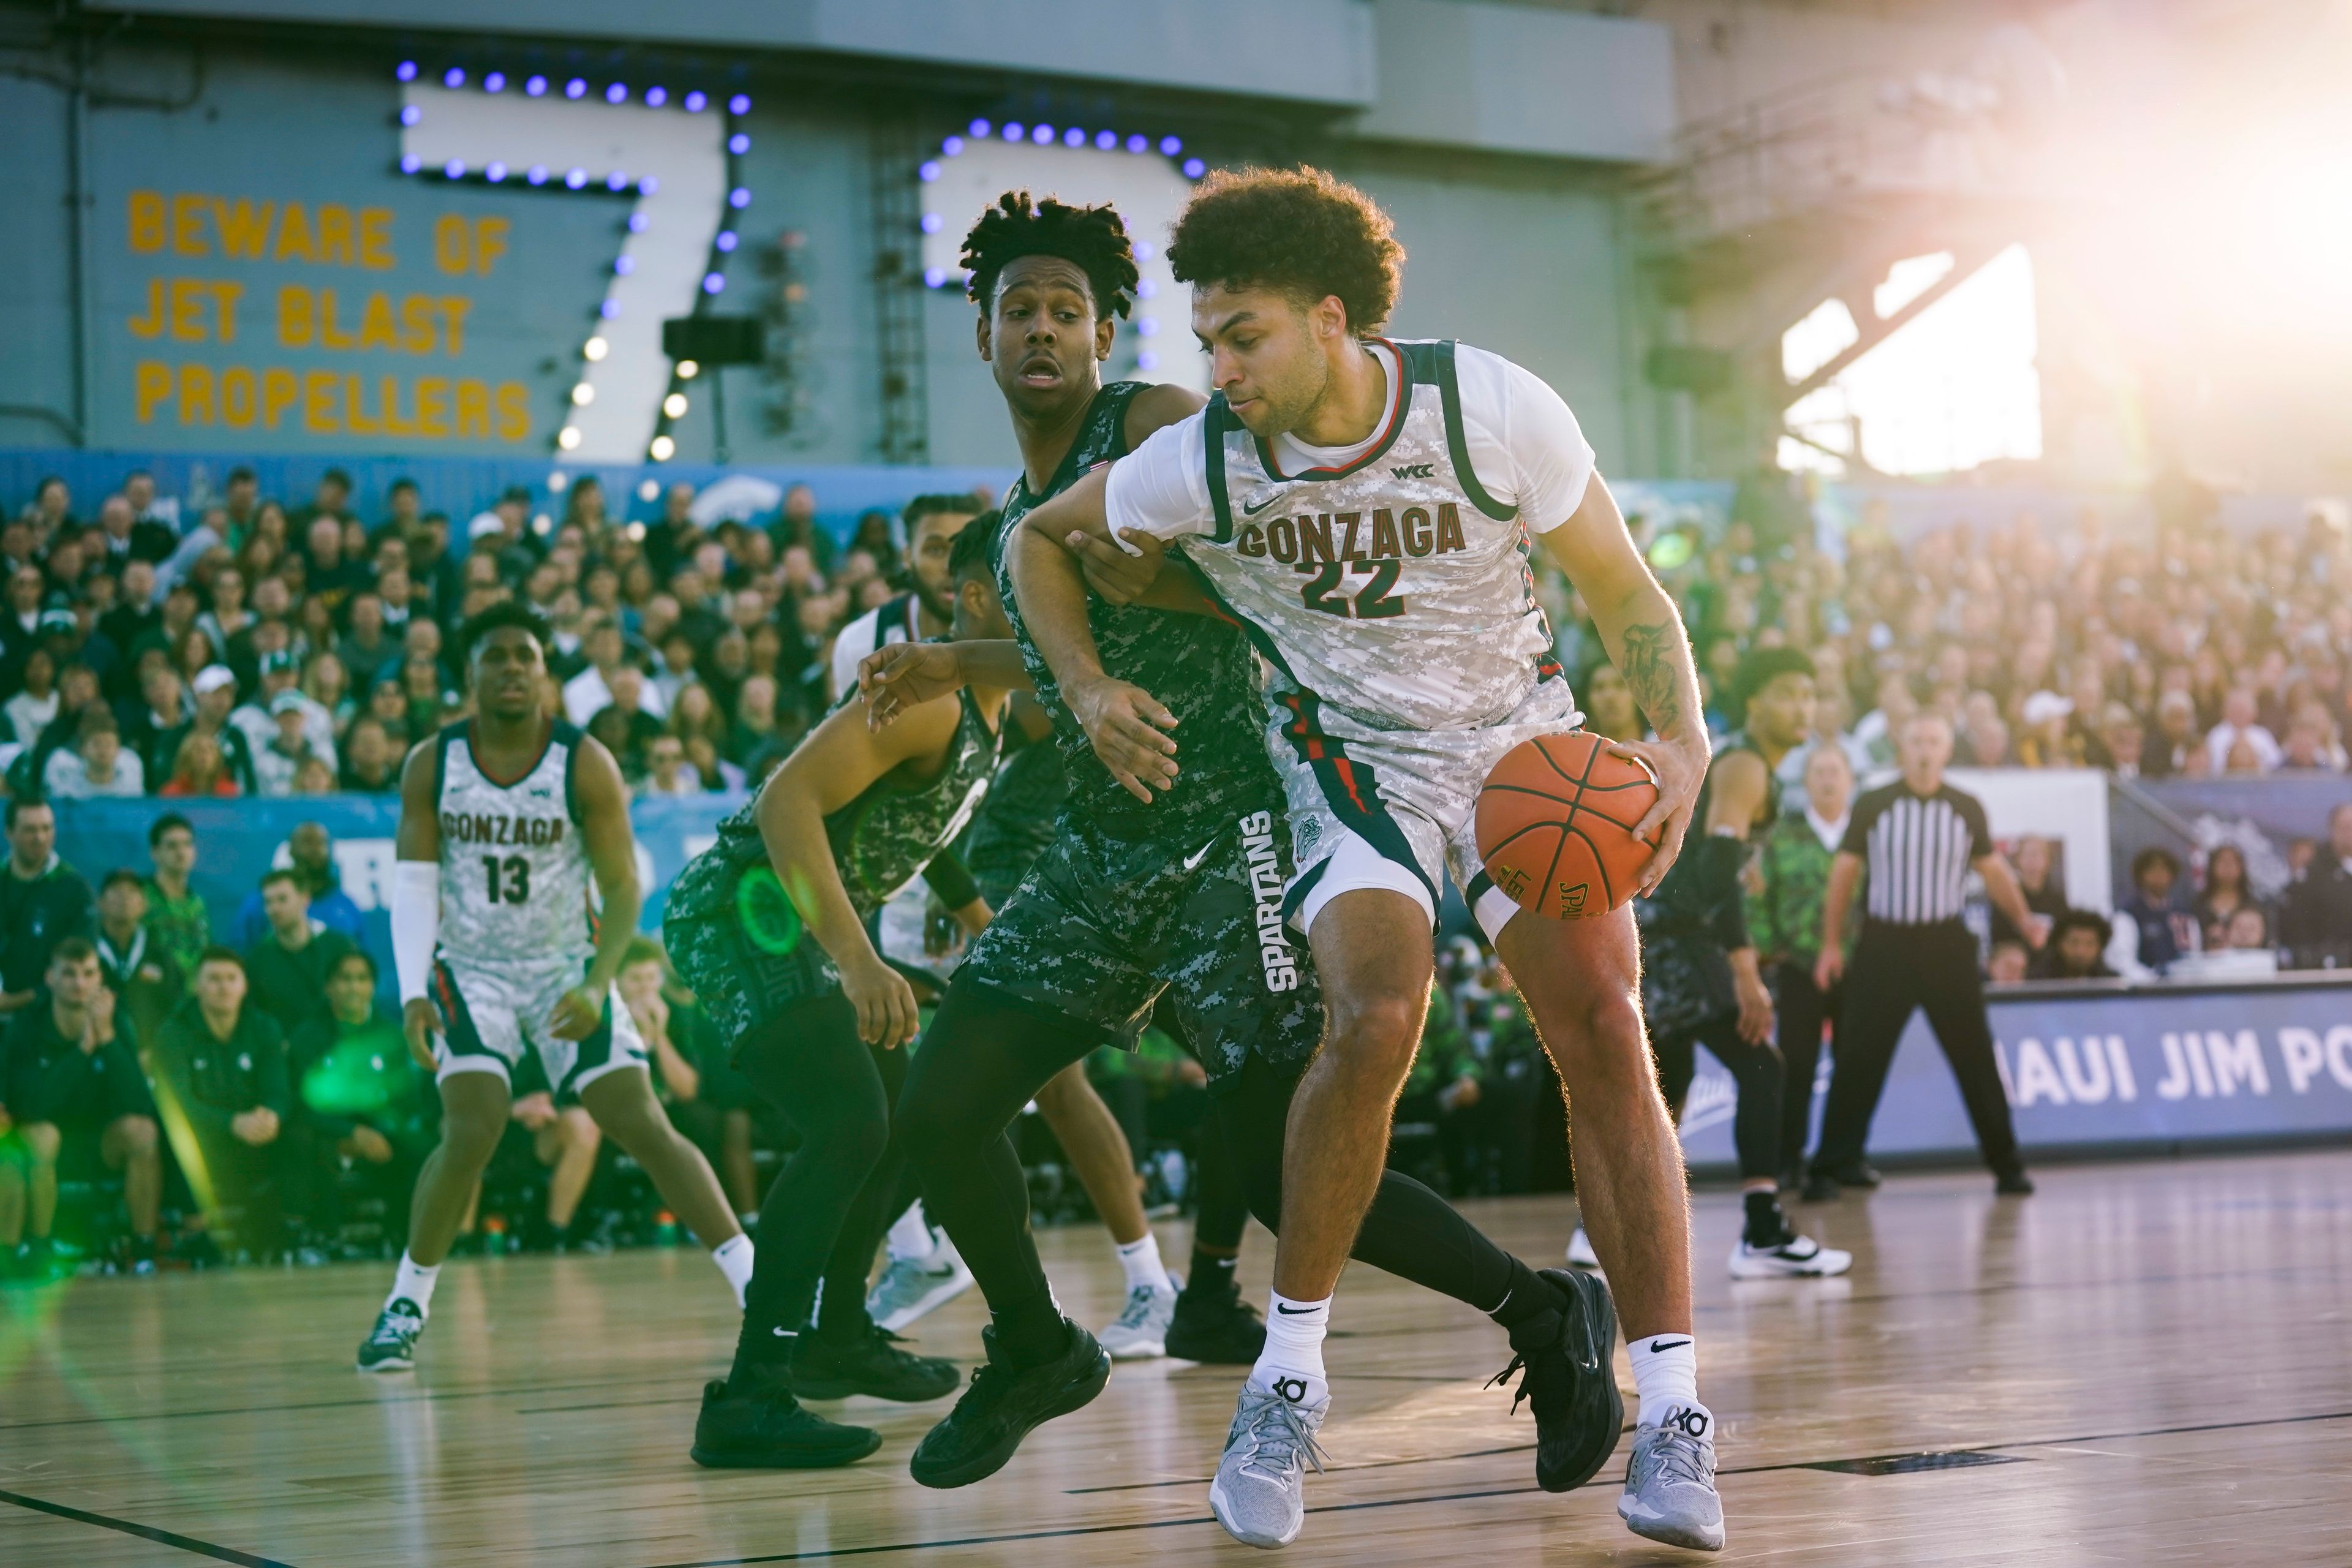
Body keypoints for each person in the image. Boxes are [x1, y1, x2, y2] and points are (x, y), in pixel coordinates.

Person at [876, 188, 1620, 1544]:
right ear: (980, 335)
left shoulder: (1169, 425)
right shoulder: (1028, 504)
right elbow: (1077, 611)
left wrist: (1106, 666)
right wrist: (997, 667)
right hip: (1114, 850)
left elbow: (1236, 586)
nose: (1041, 328)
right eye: (1017, 310)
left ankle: (1542, 1307)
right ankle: (1037, 1345)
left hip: (1249, 824)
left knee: (1288, 1159)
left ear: (1105, 332)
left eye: (1066, 309)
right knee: (941, 1097)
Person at [663, 519, 1024, 1469]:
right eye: (1043, 591)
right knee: (849, 1125)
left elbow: (923, 823)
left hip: (803, 925)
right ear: (982, 601)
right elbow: (787, 802)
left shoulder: (981, 715)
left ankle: (835, 1335)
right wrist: (861, 960)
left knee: (911, 1120)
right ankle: (750, 1396)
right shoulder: (933, 704)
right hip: (744, 909)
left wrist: (979, 918)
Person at [356, 602, 750, 1372]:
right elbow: (412, 887)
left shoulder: (584, 760)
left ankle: (755, 1280)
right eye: (495, 655)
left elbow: (624, 885)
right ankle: (407, 1300)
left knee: (639, 1119)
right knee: (473, 1124)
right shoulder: (433, 763)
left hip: (566, 965)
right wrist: (412, 992)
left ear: (545, 672)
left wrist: (601, 980)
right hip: (470, 969)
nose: (511, 668)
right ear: (468, 674)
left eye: (525, 656)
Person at [1621, 647, 1848, 1278]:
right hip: (1678, 933)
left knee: (1671, 1082)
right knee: (1762, 1068)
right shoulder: (1746, 763)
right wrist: (1744, 969)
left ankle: (1609, 1223)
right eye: (1786, 693)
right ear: (1755, 704)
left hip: (1669, 927)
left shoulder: (1752, 763)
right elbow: (1718, 867)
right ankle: (1761, 1230)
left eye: (1809, 694)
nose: (1801, 705)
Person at [1809, 712, 2045, 1200]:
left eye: (1933, 740)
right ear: (1902, 746)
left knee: (1975, 1058)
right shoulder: (1875, 803)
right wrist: (1832, 945)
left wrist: (2023, 921)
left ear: (1945, 749)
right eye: (1916, 740)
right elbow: (1844, 877)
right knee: (1858, 1058)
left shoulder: (1965, 806)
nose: (1923, 749)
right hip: (1884, 945)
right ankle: (1834, 1164)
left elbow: (1994, 872)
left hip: (1945, 945)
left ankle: (2008, 1166)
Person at [2, 940, 164, 1276]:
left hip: (101, 1140)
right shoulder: (27, 1025)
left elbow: (139, 1101)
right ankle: (39, 1245)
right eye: (69, 974)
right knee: (43, 1135)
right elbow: (32, 1105)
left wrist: (106, 1040)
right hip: (43, 1140)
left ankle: (143, 1248)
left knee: (143, 1131)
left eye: (88, 974)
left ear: (99, 979)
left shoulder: (116, 1021)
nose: (79, 983)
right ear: (50, 978)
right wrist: (82, 1053)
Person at [1747, 742, 1856, 1188]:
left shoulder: (1863, 835)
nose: (1828, 779)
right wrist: (1770, 950)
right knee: (1797, 1066)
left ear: (1850, 780)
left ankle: (1844, 1160)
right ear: (1807, 782)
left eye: (1835, 771)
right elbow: (1757, 898)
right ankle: (1788, 1161)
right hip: (1797, 968)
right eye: (1819, 772)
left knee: (1854, 1068)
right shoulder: (1782, 836)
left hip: (1859, 969)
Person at [150, 948, 293, 1257]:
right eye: (214, 979)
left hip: (253, 1133)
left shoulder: (265, 1028)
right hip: (203, 1135)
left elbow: (278, 1090)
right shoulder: (173, 1033)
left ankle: (287, 1230)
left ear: (244, 986)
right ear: (197, 987)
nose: (223, 987)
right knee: (176, 1138)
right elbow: (178, 1105)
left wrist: (271, 1115)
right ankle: (195, 1234)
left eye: (231, 979)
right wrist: (232, 1123)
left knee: (297, 1134)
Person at [285, 948, 431, 1249]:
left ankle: (404, 1239)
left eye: (362, 979)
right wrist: (350, 1133)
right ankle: (324, 1239)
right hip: (328, 1132)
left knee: (423, 1148)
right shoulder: (307, 1037)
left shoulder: (392, 1034)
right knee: (306, 1142)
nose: (354, 987)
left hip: (381, 1132)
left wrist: (385, 1131)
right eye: (345, 979)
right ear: (328, 988)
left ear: (373, 987)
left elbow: (408, 1100)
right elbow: (297, 1105)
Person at [826, 495, 985, 699]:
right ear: (908, 558)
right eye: (936, 550)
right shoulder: (859, 643)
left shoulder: (1017, 639)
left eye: (967, 548)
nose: (952, 566)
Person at [1, 799, 94, 1016]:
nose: (40, 838)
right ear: (9, 833)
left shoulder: (74, 888)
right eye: (29, 830)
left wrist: (13, 1002)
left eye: (47, 828)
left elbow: (81, 963)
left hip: (46, 1019)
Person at [244, 869, 358, 1038]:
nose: (274, 909)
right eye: (268, 902)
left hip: (341, 1051)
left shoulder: (339, 947)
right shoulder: (256, 960)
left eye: (282, 899)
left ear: (305, 899)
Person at [93, 869, 182, 1051]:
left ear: (144, 905)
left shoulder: (161, 957)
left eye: (132, 893)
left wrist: (156, 1051)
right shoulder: (86, 955)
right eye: (116, 892)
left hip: (150, 1057)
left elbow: (175, 1009)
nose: (124, 899)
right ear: (100, 903)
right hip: (94, 1054)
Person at [2280, 803, 2352, 970]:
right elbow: (2299, 924)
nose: (2349, 833)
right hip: (2329, 965)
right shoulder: (2314, 873)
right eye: (2344, 827)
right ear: (2331, 830)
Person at [2119, 847, 2199, 975]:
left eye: (2164, 870)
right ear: (2140, 875)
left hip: (2182, 987)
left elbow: (2195, 955)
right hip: (2146, 989)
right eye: (2152, 870)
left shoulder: (2184, 915)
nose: (2159, 875)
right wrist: (2153, 981)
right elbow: (2122, 962)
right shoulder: (2128, 915)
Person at [2035, 910, 2117, 980]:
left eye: (2089, 944)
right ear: (2059, 944)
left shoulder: (2112, 984)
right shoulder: (2037, 983)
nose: (2081, 951)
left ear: (2100, 948)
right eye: (2074, 942)